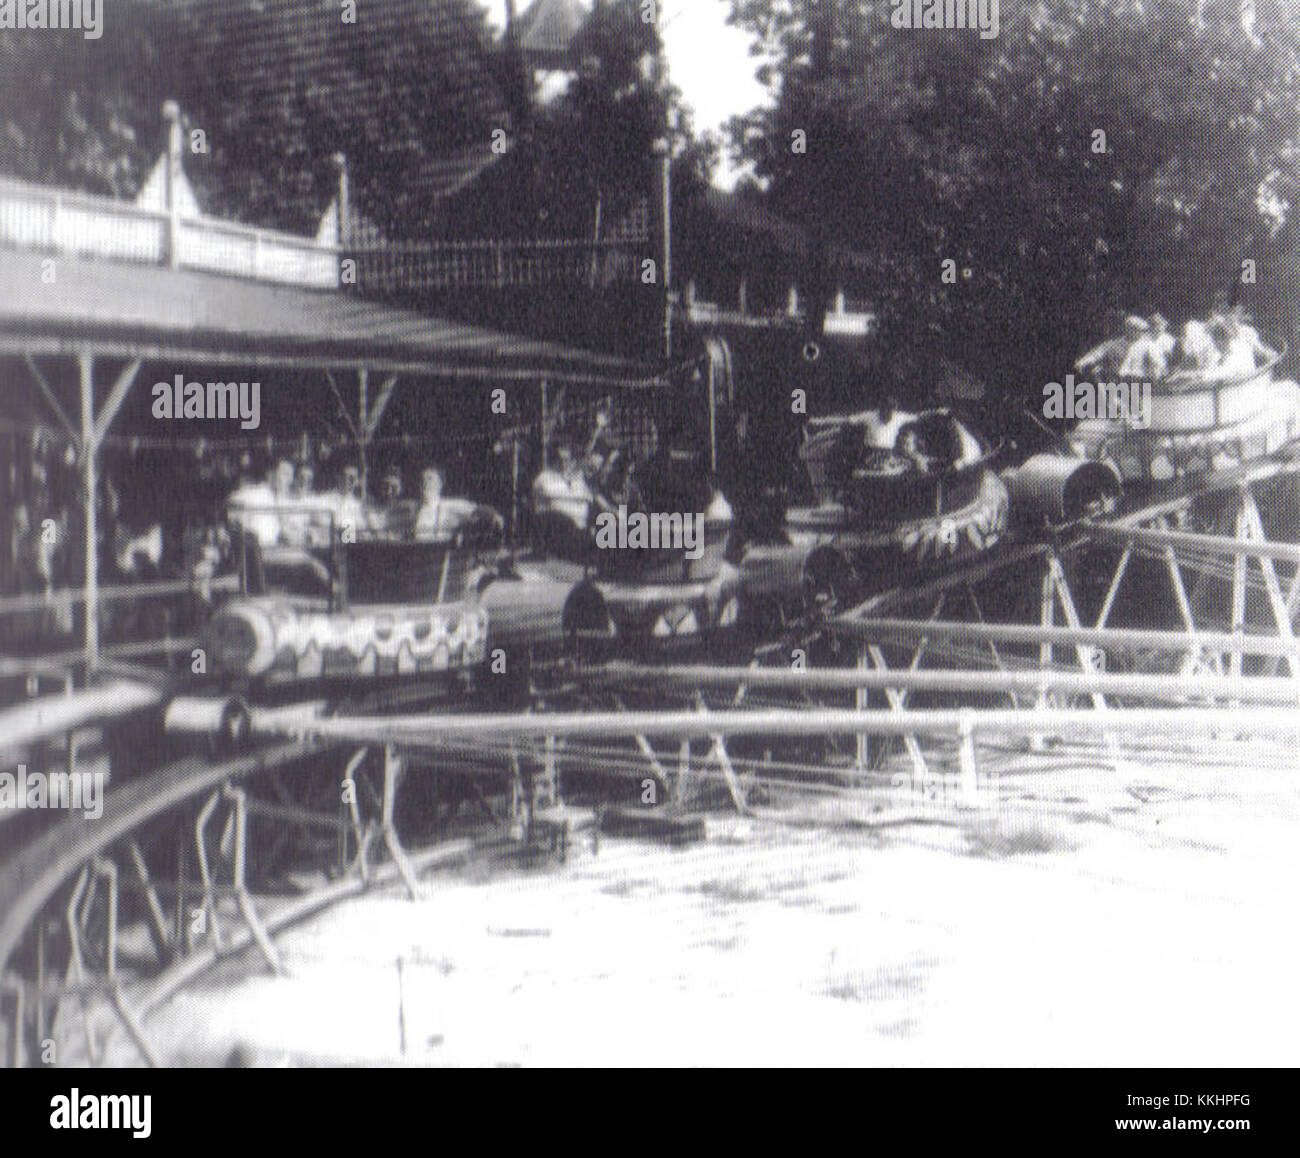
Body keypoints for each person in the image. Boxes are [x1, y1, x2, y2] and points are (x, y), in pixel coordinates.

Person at [414, 467, 480, 539]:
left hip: (438, 548)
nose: (425, 482)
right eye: (422, 479)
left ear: (441, 483)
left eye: (430, 478)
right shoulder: (414, 509)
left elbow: (479, 512)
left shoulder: (449, 505)